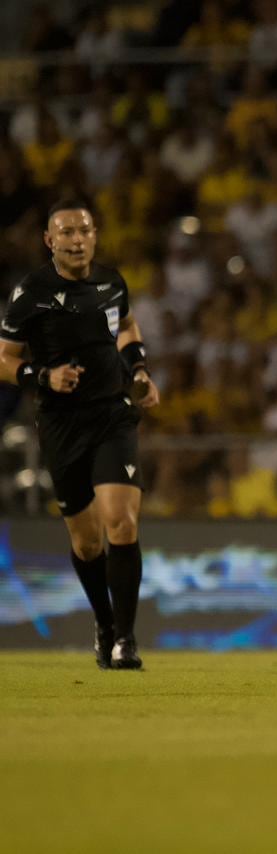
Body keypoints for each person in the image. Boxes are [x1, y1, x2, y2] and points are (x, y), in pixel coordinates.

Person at [0, 200, 160, 669]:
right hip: (61, 424)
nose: (75, 239)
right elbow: (4, 358)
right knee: (88, 544)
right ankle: (105, 623)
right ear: (50, 241)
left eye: (83, 231)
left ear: (95, 236)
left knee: (122, 522)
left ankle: (126, 640)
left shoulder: (112, 282)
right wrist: (41, 377)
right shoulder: (31, 292)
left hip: (112, 414)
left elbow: (127, 326)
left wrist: (140, 368)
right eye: (65, 232)